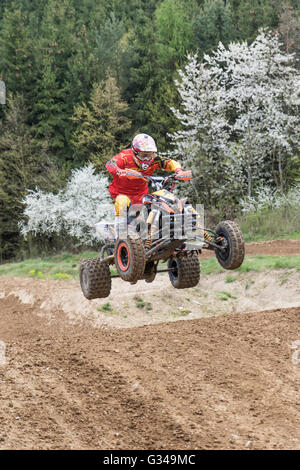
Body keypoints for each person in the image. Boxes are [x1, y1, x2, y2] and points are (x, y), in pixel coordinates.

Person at [106, 133, 189, 237]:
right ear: (135, 152)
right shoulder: (124, 157)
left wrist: (179, 170)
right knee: (122, 202)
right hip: (122, 193)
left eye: (149, 155)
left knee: (158, 204)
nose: (146, 159)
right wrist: (119, 171)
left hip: (141, 194)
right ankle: (120, 238)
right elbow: (110, 163)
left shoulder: (155, 159)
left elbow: (169, 162)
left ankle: (163, 233)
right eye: (143, 155)